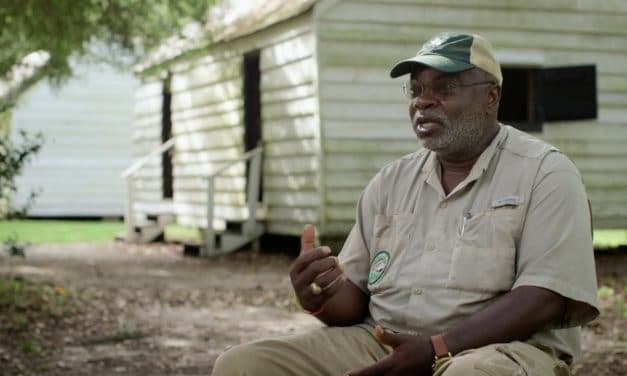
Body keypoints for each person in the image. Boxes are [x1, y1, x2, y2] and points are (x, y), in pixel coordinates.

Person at [212, 32, 599, 375]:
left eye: (444, 89)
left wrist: (436, 348)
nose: (423, 102)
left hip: (499, 352)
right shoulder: (390, 183)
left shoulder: (545, 174)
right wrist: (318, 295)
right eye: (416, 90)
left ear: (491, 96)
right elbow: (355, 299)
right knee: (242, 366)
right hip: (385, 344)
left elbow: (544, 298)